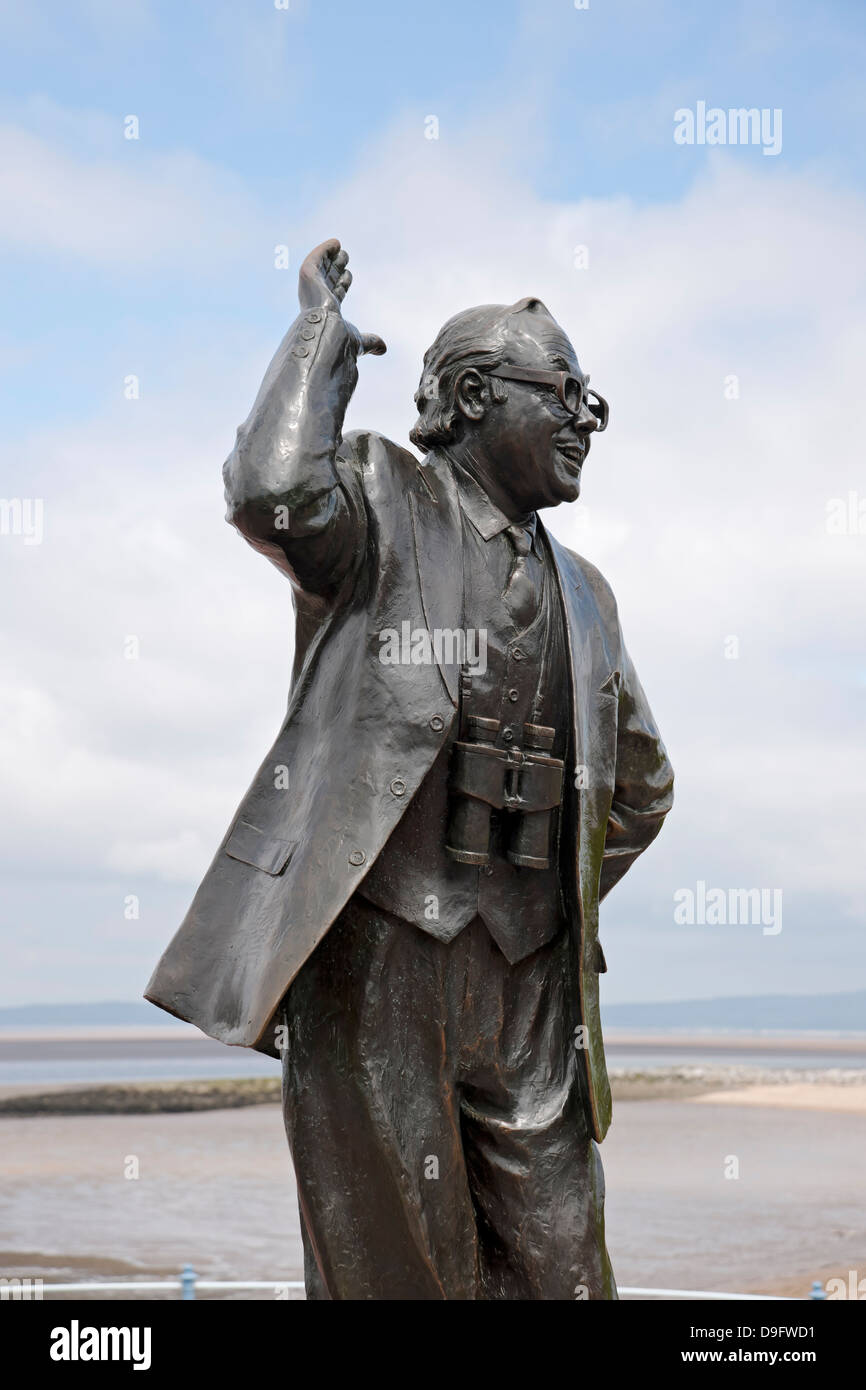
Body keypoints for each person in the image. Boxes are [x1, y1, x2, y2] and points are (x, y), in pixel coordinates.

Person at [145, 238, 674, 1300]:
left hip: (528, 979)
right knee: (396, 1266)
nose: (583, 421)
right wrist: (318, 337)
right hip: (381, 957)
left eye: (592, 403)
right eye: (564, 394)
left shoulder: (587, 594)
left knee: (562, 1262)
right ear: (474, 396)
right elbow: (270, 490)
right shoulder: (382, 501)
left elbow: (640, 788)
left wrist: (544, 890)